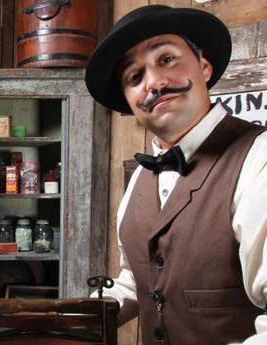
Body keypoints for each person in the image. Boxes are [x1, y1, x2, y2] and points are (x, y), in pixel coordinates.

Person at [85, 5, 267, 345]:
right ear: (129, 101)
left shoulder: (259, 159)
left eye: (166, 59)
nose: (154, 82)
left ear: (204, 65)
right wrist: (71, 320)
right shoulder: (141, 178)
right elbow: (138, 277)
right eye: (134, 77)